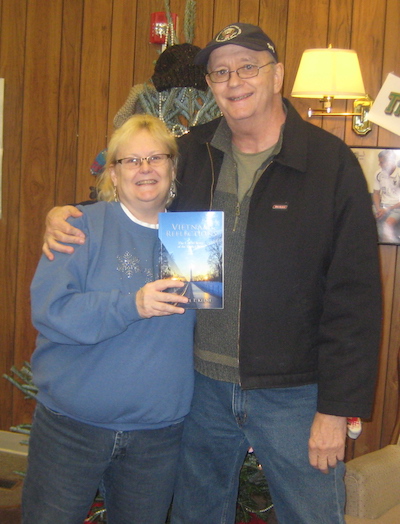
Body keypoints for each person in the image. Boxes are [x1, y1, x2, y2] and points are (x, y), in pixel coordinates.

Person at [42, 23, 382, 524]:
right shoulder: (193, 153)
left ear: (278, 75)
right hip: (200, 388)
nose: (234, 80)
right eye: (220, 71)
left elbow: (356, 297)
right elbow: (135, 194)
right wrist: (66, 213)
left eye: (249, 66)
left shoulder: (330, 164)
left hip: (294, 395)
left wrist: (336, 410)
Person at [23, 114, 196, 524]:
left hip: (158, 436)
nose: (145, 168)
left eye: (156, 157)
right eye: (131, 161)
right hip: (72, 428)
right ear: (113, 175)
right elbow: (51, 311)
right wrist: (130, 305)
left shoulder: (194, 235)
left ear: (172, 168)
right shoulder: (80, 226)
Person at [372, 149, 400, 243]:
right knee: (364, 219)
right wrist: (378, 208)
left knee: (388, 224)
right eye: (379, 162)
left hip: (396, 207)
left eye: (382, 162)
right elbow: (376, 193)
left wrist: (387, 209)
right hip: (382, 206)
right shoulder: (378, 173)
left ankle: (389, 252)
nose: (380, 165)